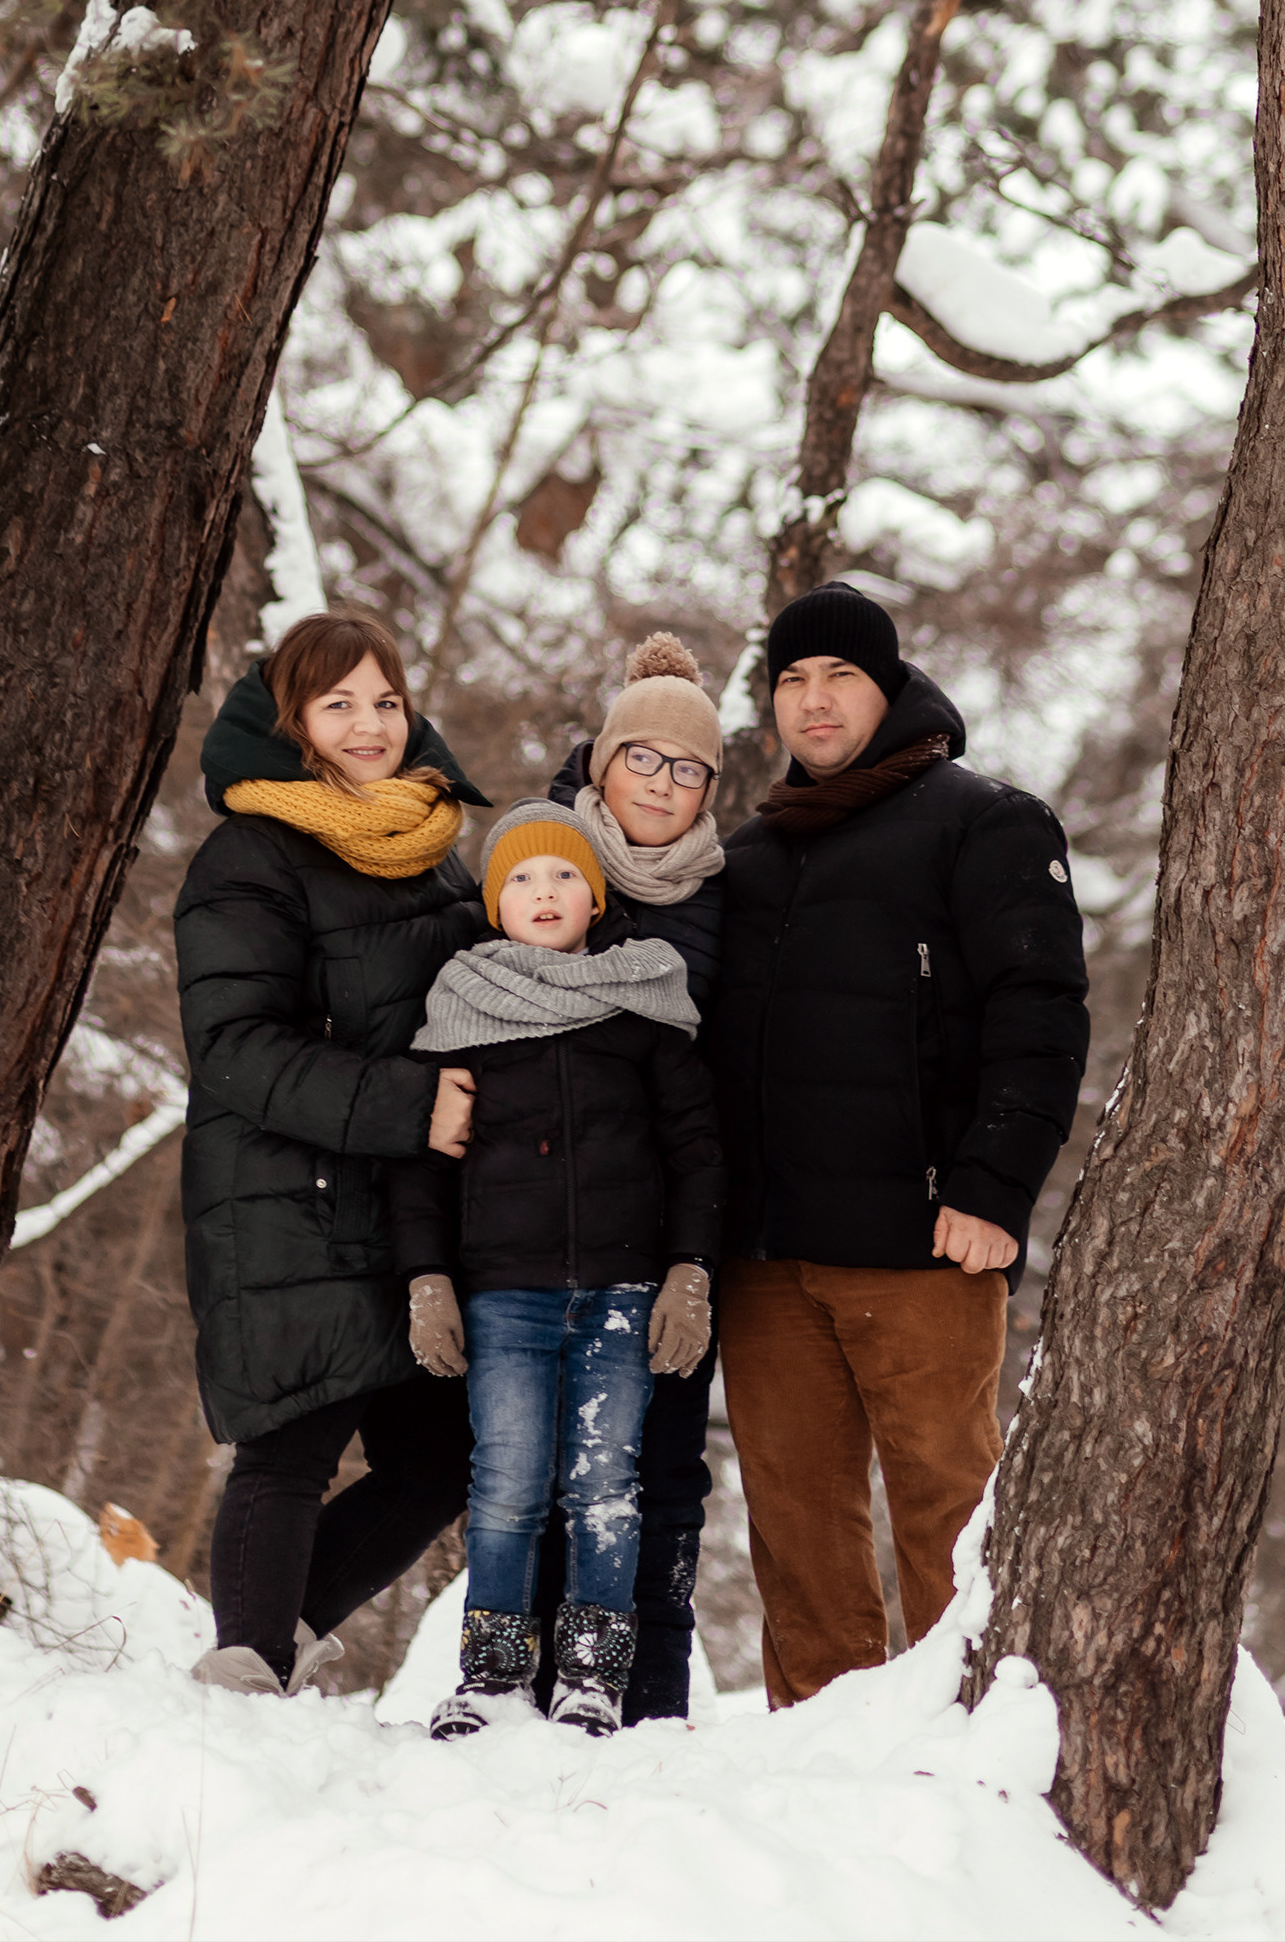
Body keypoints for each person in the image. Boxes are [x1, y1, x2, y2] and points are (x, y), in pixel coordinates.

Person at [705, 580, 1089, 1709]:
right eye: (792, 680)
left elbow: (1041, 1014)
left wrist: (995, 1187)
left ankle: (965, 1739)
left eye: (841, 676)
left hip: (923, 1243)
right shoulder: (751, 855)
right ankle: (818, 1753)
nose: (814, 701)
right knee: (795, 1531)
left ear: (890, 686)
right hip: (767, 1257)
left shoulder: (985, 821)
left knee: (949, 1513)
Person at [172, 610, 487, 1697]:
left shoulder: (435, 853)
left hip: (414, 1203)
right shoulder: (251, 855)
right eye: (338, 703)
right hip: (290, 1194)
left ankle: (274, 1639)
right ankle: (245, 1677)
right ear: (292, 722)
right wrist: (413, 1105)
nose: (369, 724)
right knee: (295, 1442)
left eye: (386, 701)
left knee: (446, 1456)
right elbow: (233, 1047)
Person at [389, 797, 726, 1739]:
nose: (545, 891)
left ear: (596, 897)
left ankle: (592, 1680)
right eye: (523, 878)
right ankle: (492, 1679)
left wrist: (690, 1271)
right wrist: (427, 1279)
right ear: (495, 903)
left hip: (624, 1295)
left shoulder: (644, 1008)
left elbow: (698, 1152)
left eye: (566, 874)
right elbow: (422, 1169)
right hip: (505, 1298)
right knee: (506, 1487)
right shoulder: (462, 1013)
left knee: (606, 1488)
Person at [531, 632, 728, 1721]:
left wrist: (697, 1250)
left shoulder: (727, 894)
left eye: (686, 768)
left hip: (669, 1223)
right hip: (537, 1217)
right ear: (603, 763)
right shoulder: (541, 863)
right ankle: (525, 1683)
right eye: (641, 759)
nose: (660, 783)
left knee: (665, 1468)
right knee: (538, 1466)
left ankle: (651, 1699)